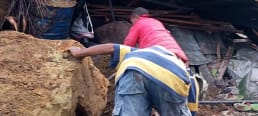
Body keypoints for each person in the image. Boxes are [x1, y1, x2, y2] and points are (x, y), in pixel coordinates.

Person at [64, 43, 197, 116]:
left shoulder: (140, 52)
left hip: (133, 67)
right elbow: (190, 108)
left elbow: (110, 47)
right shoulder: (188, 73)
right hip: (172, 79)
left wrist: (80, 52)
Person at [124, 7, 189, 65]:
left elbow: (129, 43)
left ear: (136, 17)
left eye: (132, 21)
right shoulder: (157, 22)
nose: (132, 24)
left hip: (156, 53)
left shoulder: (138, 23)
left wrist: (122, 55)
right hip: (179, 55)